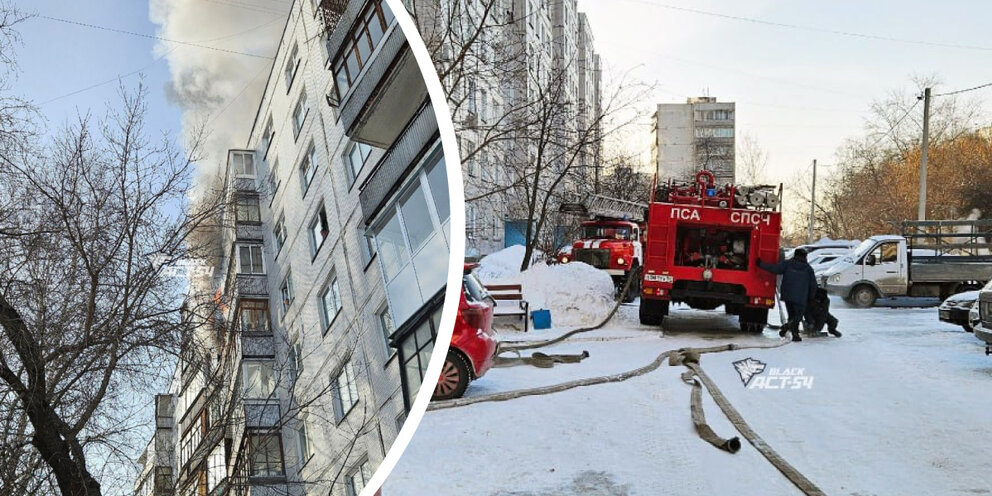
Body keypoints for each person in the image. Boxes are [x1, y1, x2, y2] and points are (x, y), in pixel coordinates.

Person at [756, 249, 817, 342]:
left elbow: (775, 269)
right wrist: (811, 297)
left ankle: (795, 334)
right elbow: (813, 285)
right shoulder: (808, 269)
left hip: (788, 295)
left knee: (791, 315)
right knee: (798, 316)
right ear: (805, 256)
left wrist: (761, 264)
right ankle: (787, 327)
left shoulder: (787, 264)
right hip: (801, 296)